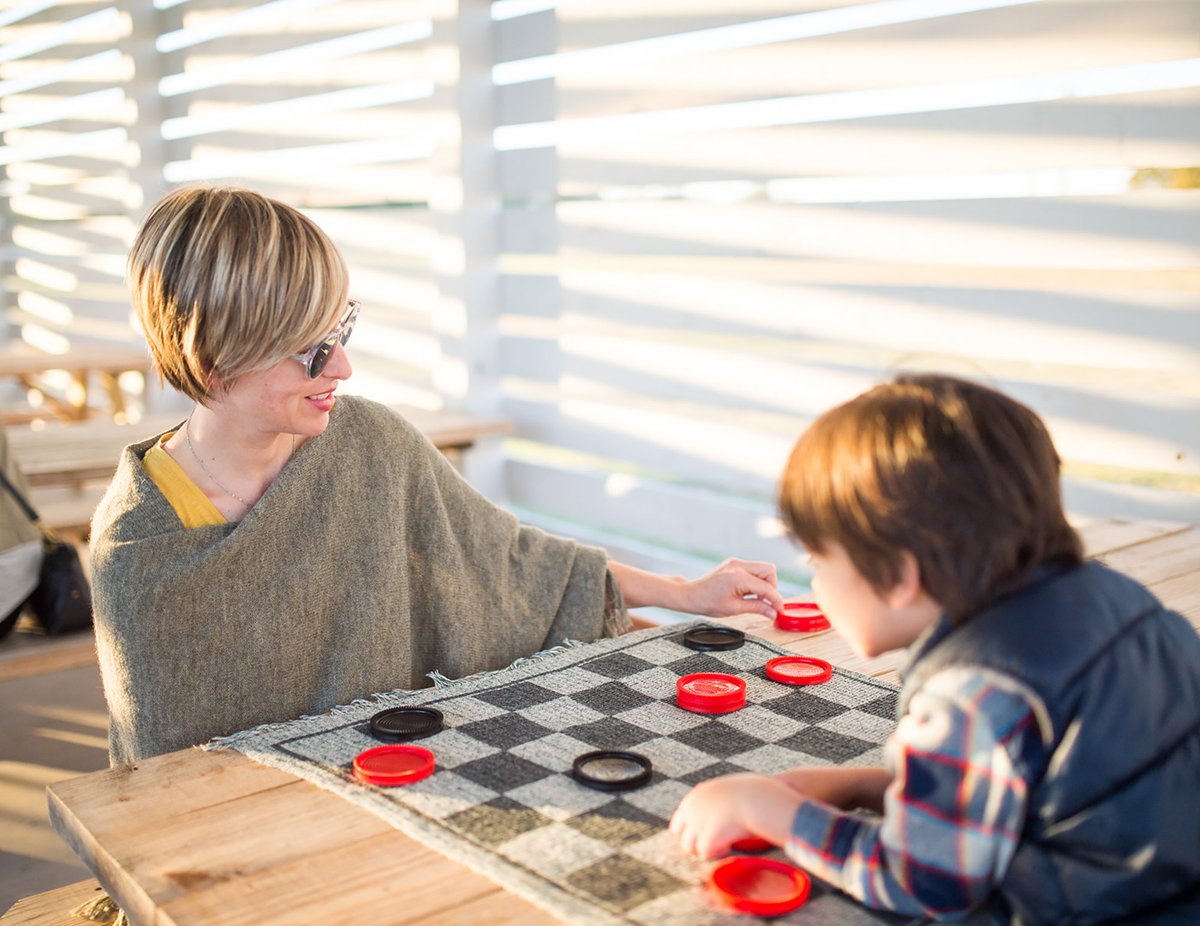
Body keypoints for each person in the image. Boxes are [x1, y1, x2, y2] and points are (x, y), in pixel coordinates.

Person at [90, 185, 784, 766]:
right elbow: (168, 780)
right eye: (312, 351)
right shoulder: (139, 545)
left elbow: (514, 563)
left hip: (399, 791)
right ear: (215, 361)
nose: (342, 369)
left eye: (343, 330)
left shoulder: (372, 444)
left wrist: (686, 592)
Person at [670, 374, 1200, 923]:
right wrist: (858, 784)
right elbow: (1035, 787)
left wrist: (776, 814)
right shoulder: (1115, 597)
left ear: (900, 575)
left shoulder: (973, 690)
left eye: (820, 563)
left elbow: (922, 883)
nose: (816, 584)